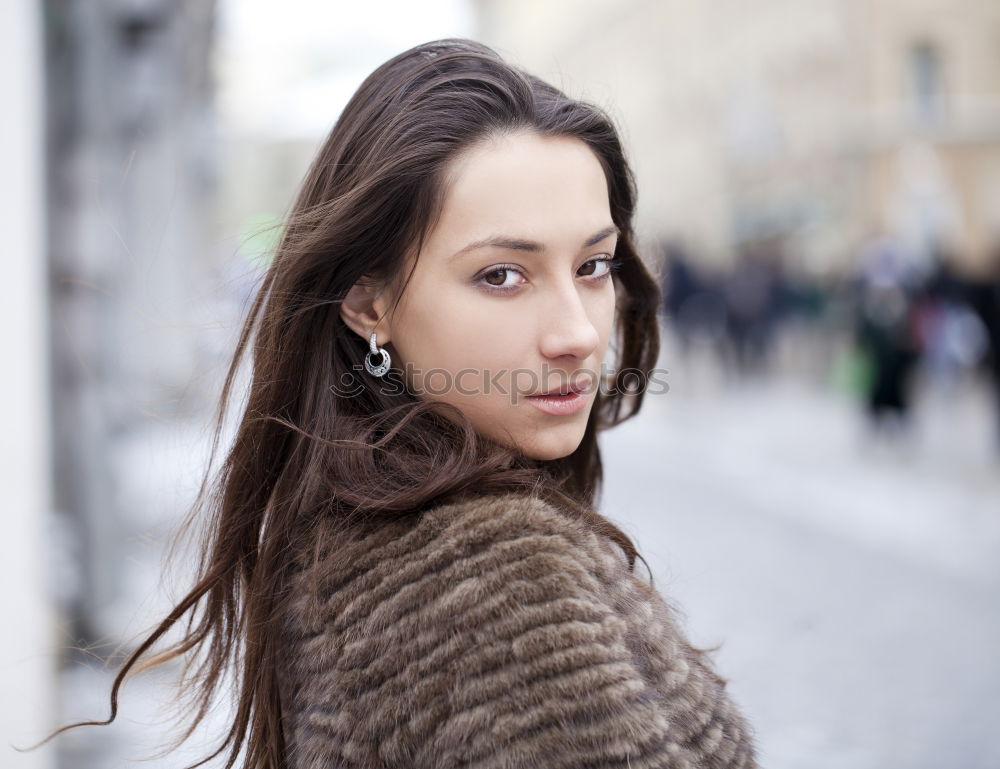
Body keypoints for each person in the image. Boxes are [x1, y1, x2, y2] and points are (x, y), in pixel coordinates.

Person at [33, 38, 759, 768]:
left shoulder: (355, 529)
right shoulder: (492, 592)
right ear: (367, 300)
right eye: (503, 274)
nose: (575, 332)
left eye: (593, 265)